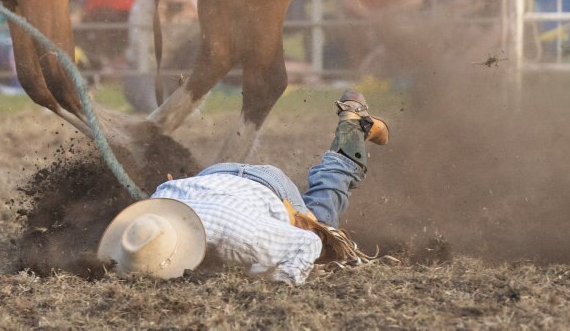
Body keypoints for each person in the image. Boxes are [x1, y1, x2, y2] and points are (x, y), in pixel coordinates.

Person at [97, 90, 389, 283]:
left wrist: (277, 281)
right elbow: (167, 189)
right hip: (213, 177)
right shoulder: (157, 214)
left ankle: (352, 125)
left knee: (321, 223)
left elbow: (306, 244)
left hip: (269, 189)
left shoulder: (239, 243)